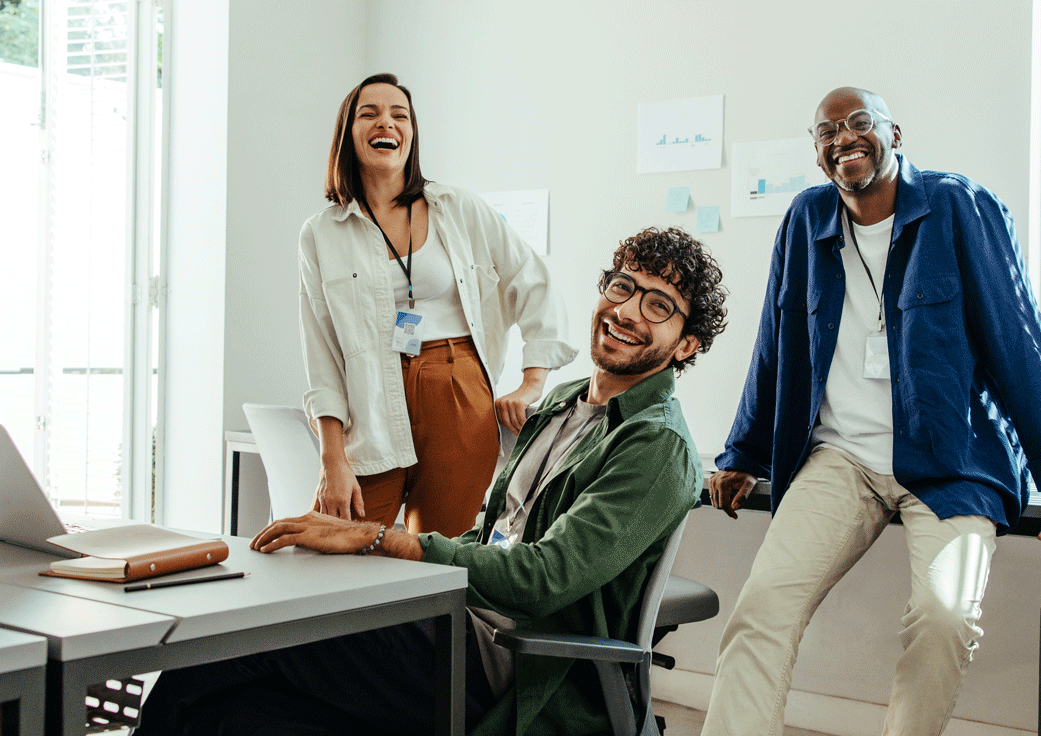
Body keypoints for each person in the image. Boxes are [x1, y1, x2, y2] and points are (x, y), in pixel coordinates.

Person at [136, 227, 728, 736]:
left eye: (658, 305)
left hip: (515, 672)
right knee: (234, 712)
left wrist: (383, 540)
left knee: (230, 646)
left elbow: (545, 578)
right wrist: (383, 546)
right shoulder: (564, 404)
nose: (627, 311)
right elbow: (494, 537)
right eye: (622, 287)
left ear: (687, 345)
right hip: (459, 622)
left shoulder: (654, 445)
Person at [701, 87, 1041, 736]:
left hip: (951, 460)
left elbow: (1017, 340)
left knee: (944, 619)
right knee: (760, 613)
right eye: (827, 131)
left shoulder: (960, 207)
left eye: (860, 122)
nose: (844, 138)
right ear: (817, 153)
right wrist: (742, 455)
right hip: (841, 461)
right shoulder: (805, 219)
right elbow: (776, 341)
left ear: (896, 134)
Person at [300, 73, 577, 537]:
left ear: (411, 134)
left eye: (399, 114)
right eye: (369, 113)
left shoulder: (459, 208)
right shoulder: (321, 232)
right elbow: (321, 351)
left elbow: (535, 284)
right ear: (347, 133)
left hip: (457, 388)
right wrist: (332, 457)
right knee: (333, 543)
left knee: (442, 556)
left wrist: (531, 384)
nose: (385, 122)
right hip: (369, 400)